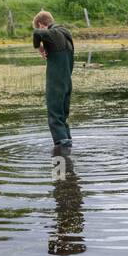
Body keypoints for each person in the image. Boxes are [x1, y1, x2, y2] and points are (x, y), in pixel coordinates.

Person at [31, 11, 75, 155]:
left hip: (56, 83)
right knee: (62, 117)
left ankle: (61, 161)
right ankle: (68, 157)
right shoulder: (65, 32)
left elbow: (37, 34)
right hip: (67, 82)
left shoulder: (53, 33)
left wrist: (40, 48)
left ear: (41, 24)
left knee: (55, 116)